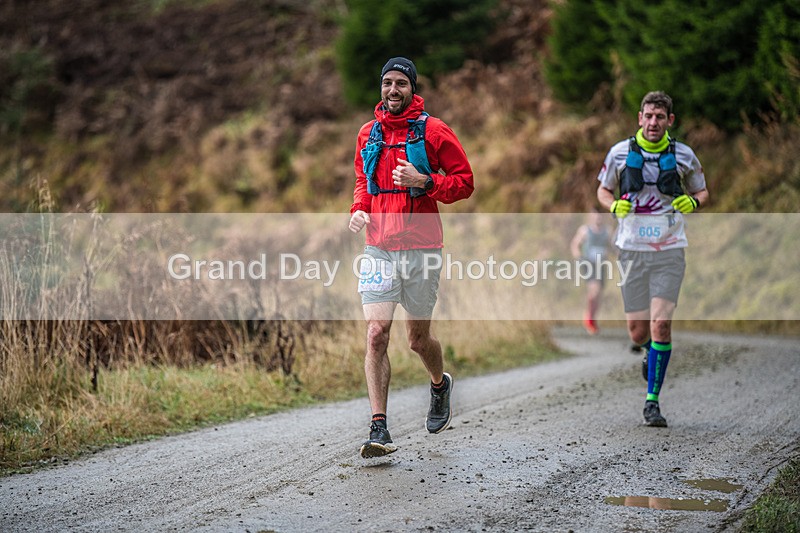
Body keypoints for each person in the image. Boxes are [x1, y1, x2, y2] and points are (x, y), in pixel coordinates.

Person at [348, 57, 474, 458]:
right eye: (387, 83)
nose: (393, 90)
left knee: (418, 340)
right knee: (376, 333)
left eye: (401, 83)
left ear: (412, 88)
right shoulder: (368, 133)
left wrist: (425, 181)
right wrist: (358, 209)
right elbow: (362, 181)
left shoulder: (434, 131)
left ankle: (439, 384)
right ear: (380, 88)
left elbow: (465, 183)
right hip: (378, 247)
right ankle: (379, 427)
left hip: (422, 248)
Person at [596, 91, 709, 427]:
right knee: (636, 330)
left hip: (670, 249)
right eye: (648, 116)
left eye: (660, 117)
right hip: (630, 249)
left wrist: (695, 202)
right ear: (639, 118)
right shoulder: (619, 153)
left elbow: (702, 190)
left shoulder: (684, 154)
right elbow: (603, 190)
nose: (653, 122)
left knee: (661, 325)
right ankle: (647, 351)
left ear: (670, 120)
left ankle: (652, 402)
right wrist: (612, 205)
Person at [570, 208, 611, 335]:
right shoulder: (585, 230)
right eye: (595, 215)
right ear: (591, 216)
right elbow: (575, 244)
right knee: (594, 290)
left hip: (601, 264)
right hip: (589, 263)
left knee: (598, 294)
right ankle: (589, 319)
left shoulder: (607, 231)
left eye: (600, 216)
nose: (598, 218)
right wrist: (579, 257)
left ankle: (591, 318)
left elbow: (612, 246)